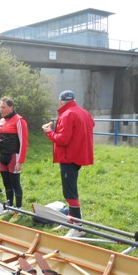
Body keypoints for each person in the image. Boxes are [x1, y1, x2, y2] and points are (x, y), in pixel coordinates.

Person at [42, 90, 95, 238]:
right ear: (74, 99)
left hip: (69, 157)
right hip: (79, 155)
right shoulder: (83, 112)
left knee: (69, 192)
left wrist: (48, 131)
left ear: (60, 102)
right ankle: (71, 221)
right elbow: (91, 124)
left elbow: (62, 140)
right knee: (71, 189)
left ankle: (78, 227)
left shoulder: (66, 114)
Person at [0, 96, 28, 213]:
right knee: (6, 183)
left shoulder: (19, 120)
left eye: (3, 107)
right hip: (3, 156)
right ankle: (10, 207)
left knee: (15, 183)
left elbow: (24, 142)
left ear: (11, 107)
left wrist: (20, 161)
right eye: (0, 107)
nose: (1, 109)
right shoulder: (1, 121)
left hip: (14, 156)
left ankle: (19, 209)